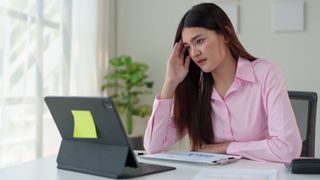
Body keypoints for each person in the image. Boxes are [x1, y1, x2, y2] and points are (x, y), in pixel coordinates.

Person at [143, 3, 302, 163]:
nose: (194, 53)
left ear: (226, 34)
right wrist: (170, 83)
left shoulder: (265, 73)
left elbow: (288, 149)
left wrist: (225, 147)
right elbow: (153, 147)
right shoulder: (195, 90)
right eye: (188, 47)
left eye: (199, 41)